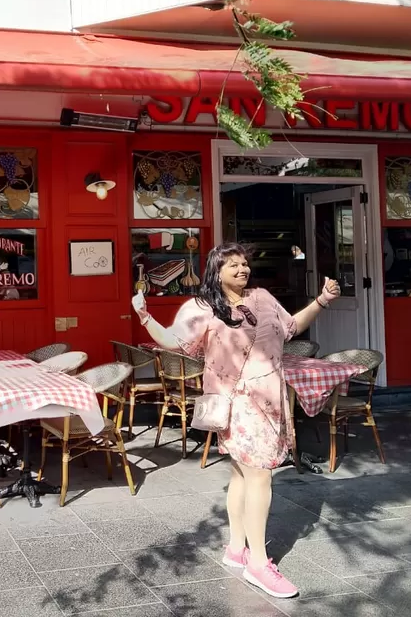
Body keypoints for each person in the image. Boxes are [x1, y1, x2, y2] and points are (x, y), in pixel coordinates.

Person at [131, 243, 340, 599]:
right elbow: (174, 341)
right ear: (216, 271)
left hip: (270, 398)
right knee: (259, 476)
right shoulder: (202, 307)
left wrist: (321, 301)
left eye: (244, 264)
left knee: (243, 475)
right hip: (237, 404)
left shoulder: (262, 297)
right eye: (233, 265)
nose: (242, 269)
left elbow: (291, 327)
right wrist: (145, 317)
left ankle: (236, 548)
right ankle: (258, 563)